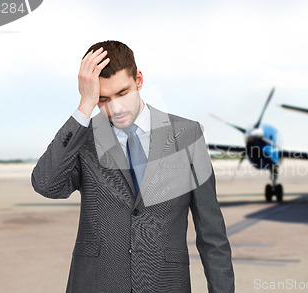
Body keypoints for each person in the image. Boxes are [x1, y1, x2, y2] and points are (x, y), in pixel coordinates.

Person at [31, 40, 234, 293]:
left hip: (165, 283)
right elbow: (46, 185)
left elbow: (211, 233)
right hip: (95, 284)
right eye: (103, 99)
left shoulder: (187, 134)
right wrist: (85, 106)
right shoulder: (84, 138)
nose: (115, 109)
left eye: (122, 93)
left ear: (138, 80)